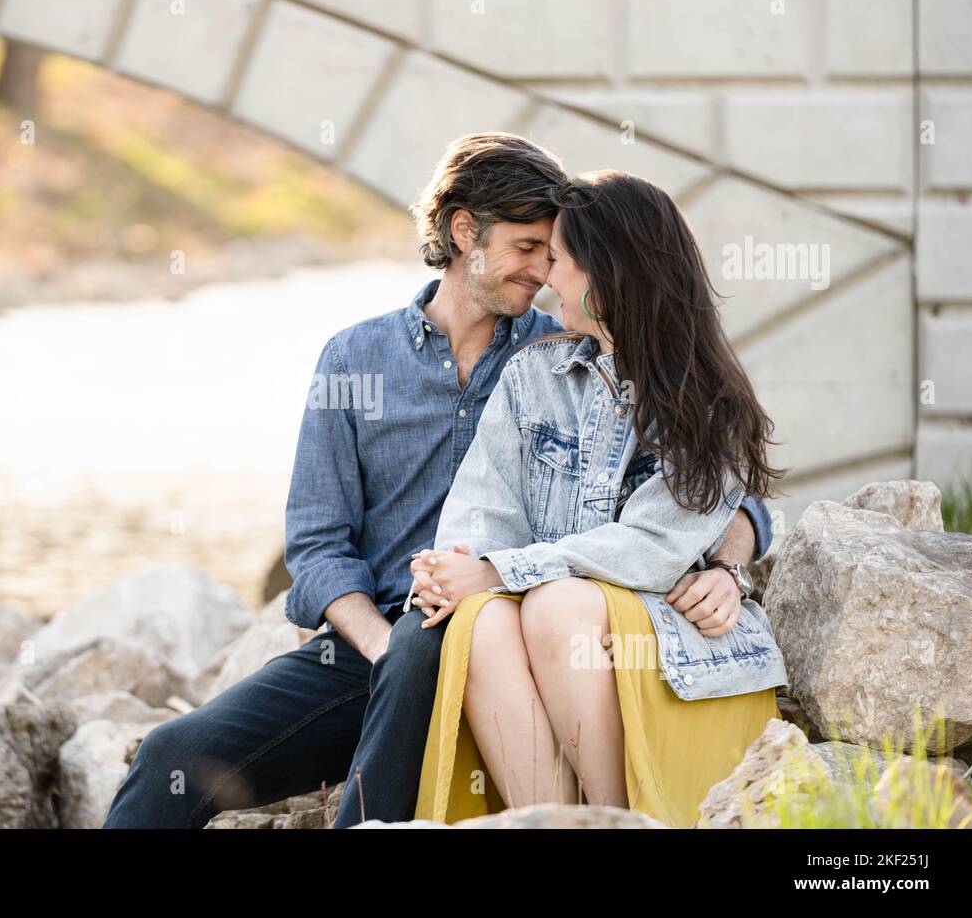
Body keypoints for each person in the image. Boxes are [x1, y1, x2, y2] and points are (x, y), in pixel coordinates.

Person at [103, 136, 771, 829]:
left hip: (495, 629)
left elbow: (712, 480)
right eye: (526, 249)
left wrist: (727, 562)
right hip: (372, 645)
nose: (542, 272)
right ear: (463, 234)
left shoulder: (564, 351)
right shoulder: (357, 358)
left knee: (434, 643)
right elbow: (317, 547)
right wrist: (380, 644)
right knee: (171, 758)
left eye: (554, 254)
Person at [406, 169, 790, 828]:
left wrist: (499, 571)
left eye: (559, 260)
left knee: (557, 605)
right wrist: (454, 567)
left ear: (609, 273)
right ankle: (554, 821)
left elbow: (652, 551)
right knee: (481, 623)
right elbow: (481, 508)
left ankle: (616, 820)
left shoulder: (709, 399)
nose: (546, 277)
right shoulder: (534, 376)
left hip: (674, 644)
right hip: (557, 638)